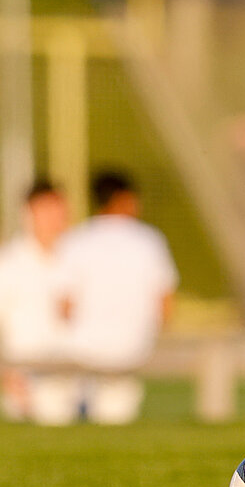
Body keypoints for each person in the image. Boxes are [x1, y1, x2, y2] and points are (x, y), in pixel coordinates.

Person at [54, 171, 178, 425]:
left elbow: (64, 305)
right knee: (115, 423)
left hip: (82, 352)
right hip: (130, 351)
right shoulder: (149, 240)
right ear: (125, 199)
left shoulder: (75, 239)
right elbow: (165, 302)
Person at [0, 178, 76, 424]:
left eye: (59, 208)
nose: (56, 217)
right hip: (29, 383)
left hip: (79, 378)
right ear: (28, 212)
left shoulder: (78, 257)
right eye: (47, 209)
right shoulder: (6, 263)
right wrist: (4, 378)